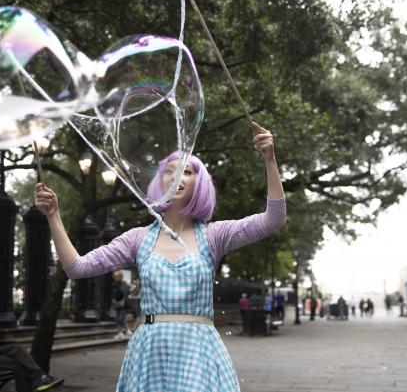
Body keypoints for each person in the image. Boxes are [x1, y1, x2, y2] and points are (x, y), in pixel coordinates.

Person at [35, 122, 285, 391]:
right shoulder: (137, 238)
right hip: (150, 352)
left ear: (198, 183)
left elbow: (273, 219)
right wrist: (54, 217)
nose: (176, 177)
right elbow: (76, 267)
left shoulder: (214, 235)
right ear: (161, 181)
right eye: (169, 171)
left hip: (198, 351)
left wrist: (270, 160)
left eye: (186, 172)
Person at [112, 271, 130, 339]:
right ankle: (121, 333)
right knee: (118, 319)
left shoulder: (121, 284)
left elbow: (121, 293)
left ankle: (126, 332)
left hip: (123, 304)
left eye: (116, 276)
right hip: (120, 304)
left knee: (120, 319)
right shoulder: (120, 284)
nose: (114, 278)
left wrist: (115, 298)